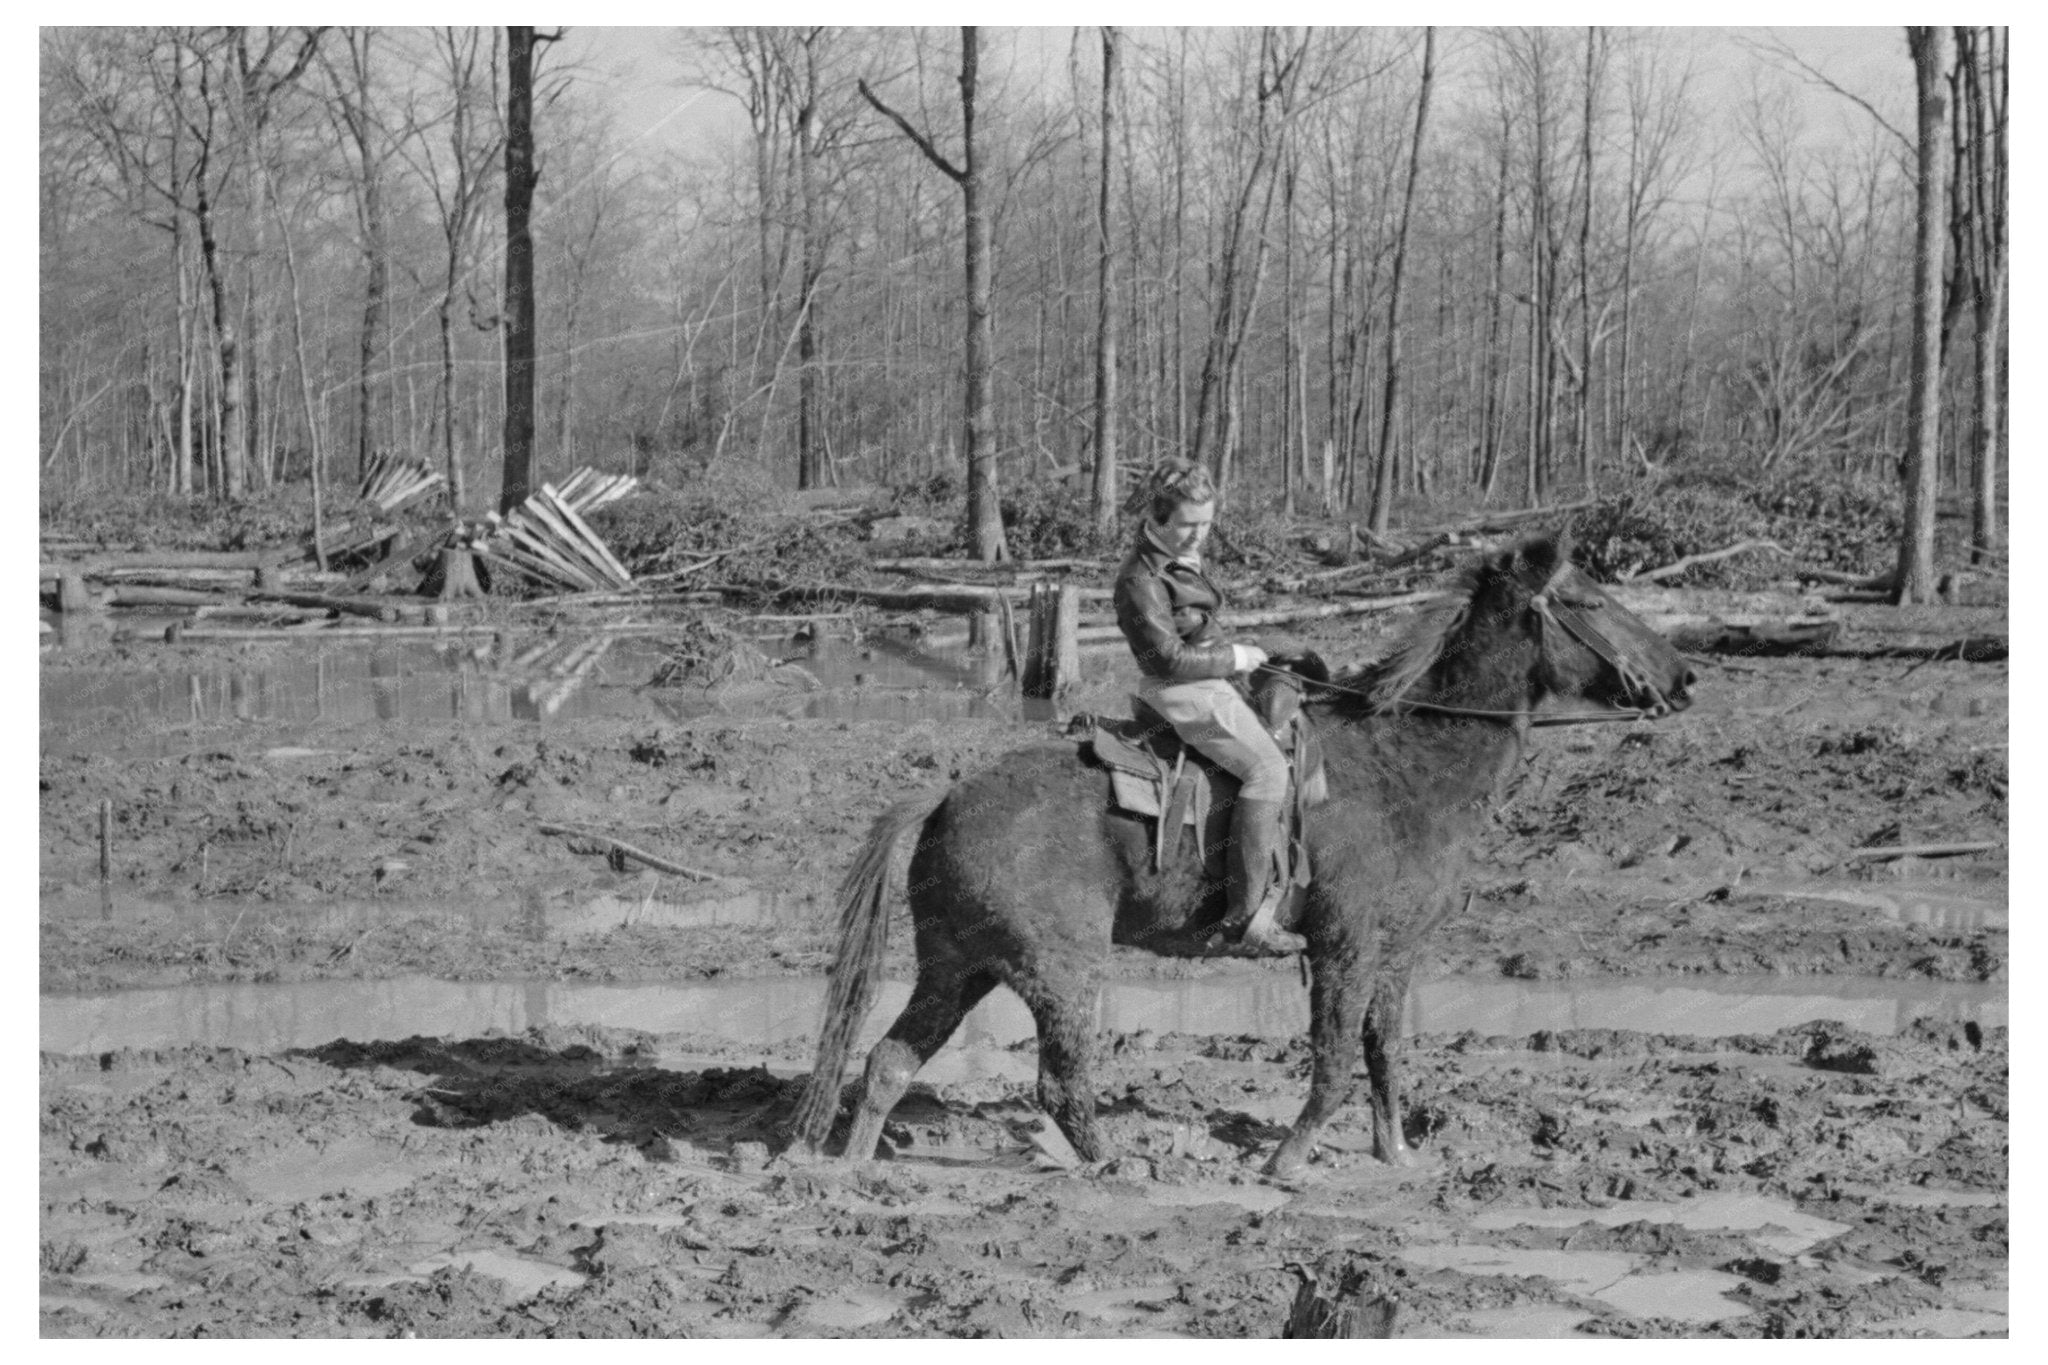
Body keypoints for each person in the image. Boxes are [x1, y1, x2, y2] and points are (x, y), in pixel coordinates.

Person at [1112, 460, 1306, 956]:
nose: (1200, 535)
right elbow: (1168, 658)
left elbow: (1197, 629)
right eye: (1189, 524)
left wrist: (1247, 655)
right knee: (1266, 770)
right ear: (1157, 519)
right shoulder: (1141, 578)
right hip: (1179, 688)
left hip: (1207, 676)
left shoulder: (1178, 559)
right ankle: (1246, 918)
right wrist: (1234, 656)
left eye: (1206, 523)